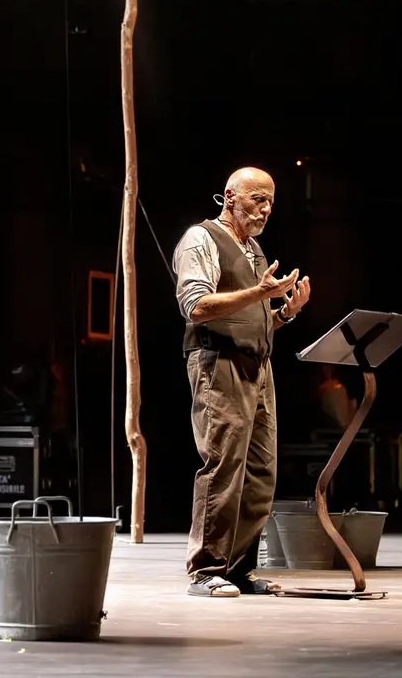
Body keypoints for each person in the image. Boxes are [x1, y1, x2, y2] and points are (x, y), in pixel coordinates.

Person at [171, 167, 312, 597]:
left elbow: (251, 319)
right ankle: (205, 569)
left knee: (260, 472)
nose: (265, 209)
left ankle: (237, 569)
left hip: (258, 364)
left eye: (270, 201)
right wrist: (259, 293)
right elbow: (195, 306)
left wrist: (285, 312)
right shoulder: (202, 238)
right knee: (223, 464)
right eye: (257, 199)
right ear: (230, 196)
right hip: (219, 361)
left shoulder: (253, 251)